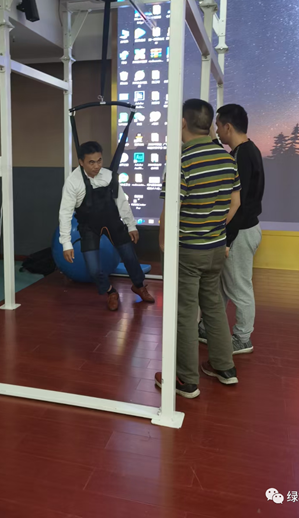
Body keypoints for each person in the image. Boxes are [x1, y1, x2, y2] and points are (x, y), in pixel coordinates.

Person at [155, 99, 241, 399]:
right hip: (216, 248)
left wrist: (164, 245)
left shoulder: (182, 161)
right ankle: (225, 368)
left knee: (185, 313)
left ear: (182, 123)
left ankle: (186, 380)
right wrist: (213, 227)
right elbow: (235, 203)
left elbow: (171, 210)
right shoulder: (228, 159)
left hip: (188, 251)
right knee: (214, 307)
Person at [199, 104, 264, 355]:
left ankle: (243, 338)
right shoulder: (245, 151)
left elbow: (241, 205)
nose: (216, 131)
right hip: (244, 230)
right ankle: (207, 327)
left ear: (228, 127)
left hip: (241, 231)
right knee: (224, 285)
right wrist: (213, 141)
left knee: (239, 287)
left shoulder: (243, 155)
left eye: (217, 126)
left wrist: (227, 240)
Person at [59, 141, 154, 311]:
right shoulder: (73, 182)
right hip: (89, 227)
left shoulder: (109, 176)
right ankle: (110, 291)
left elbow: (121, 201)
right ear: (81, 162)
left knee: (130, 257)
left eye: (99, 161)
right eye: (91, 162)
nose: (97, 166)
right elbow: (65, 213)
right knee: (93, 269)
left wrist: (131, 225)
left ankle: (139, 286)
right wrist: (66, 243)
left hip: (112, 222)